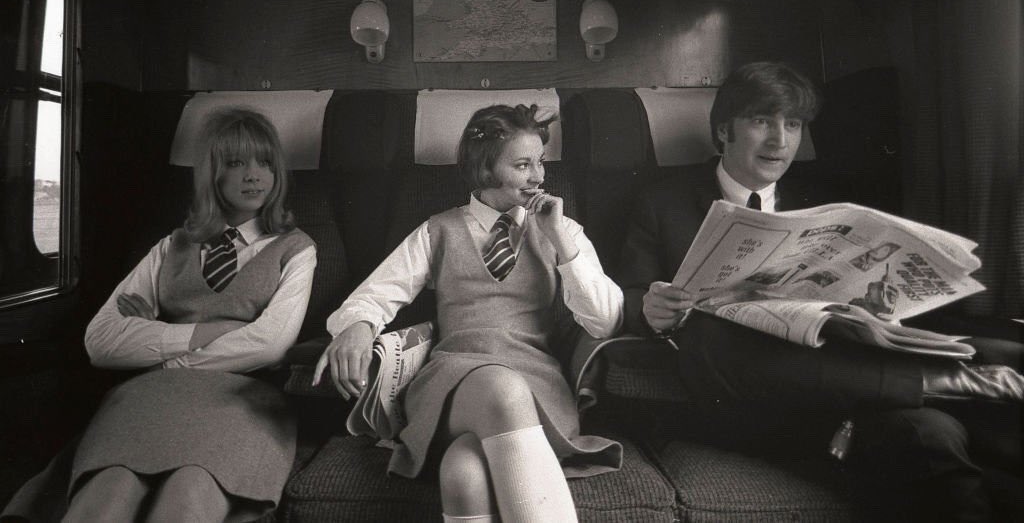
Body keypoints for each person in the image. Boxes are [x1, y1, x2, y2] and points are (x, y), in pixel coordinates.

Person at [618, 61, 1024, 521]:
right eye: (761, 121)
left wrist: (876, 312)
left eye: (792, 124)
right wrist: (653, 309)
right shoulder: (662, 202)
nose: (779, 140)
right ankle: (948, 380)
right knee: (711, 336)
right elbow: (631, 296)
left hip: (840, 388)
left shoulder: (823, 201)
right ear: (724, 131)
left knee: (932, 433)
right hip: (741, 390)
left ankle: (938, 387)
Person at [3, 108, 316, 522]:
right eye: (237, 163)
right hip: (148, 396)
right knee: (105, 494)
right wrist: (211, 331)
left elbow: (270, 344)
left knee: (187, 494)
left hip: (240, 398)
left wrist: (160, 344)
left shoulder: (296, 249)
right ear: (212, 173)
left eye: (265, 163)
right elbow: (101, 341)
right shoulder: (173, 245)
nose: (254, 176)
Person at [315, 104, 623, 523]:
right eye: (523, 164)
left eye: (541, 162)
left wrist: (559, 242)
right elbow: (373, 295)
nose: (539, 177)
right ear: (484, 169)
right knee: (498, 386)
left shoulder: (562, 231)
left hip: (536, 384)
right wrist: (356, 325)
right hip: (451, 381)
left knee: (464, 473)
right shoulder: (437, 230)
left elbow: (605, 322)